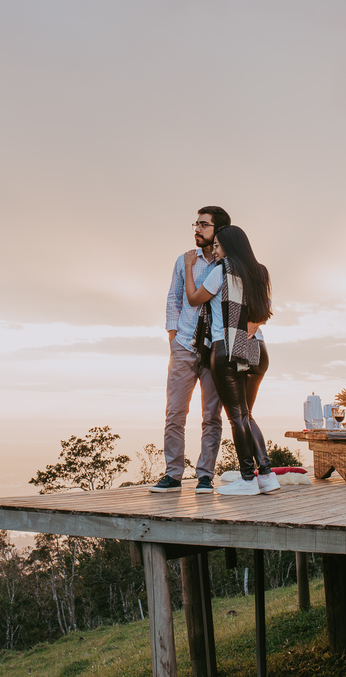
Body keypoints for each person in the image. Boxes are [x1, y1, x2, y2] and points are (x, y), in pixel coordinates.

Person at [183, 225, 276, 496]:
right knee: (246, 415)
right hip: (257, 350)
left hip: (227, 350)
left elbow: (192, 299)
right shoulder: (260, 272)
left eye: (219, 246)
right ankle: (267, 475)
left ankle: (248, 478)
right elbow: (264, 311)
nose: (216, 250)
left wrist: (189, 267)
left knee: (237, 417)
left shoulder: (220, 271)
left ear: (229, 246)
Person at [150, 206, 231, 494]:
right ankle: (173, 474)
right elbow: (174, 299)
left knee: (212, 415)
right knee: (175, 413)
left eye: (203, 225)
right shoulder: (184, 260)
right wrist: (173, 339)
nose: (197, 229)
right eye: (195, 224)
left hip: (214, 349)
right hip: (184, 346)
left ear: (217, 231)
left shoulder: (227, 265)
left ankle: (205, 475)